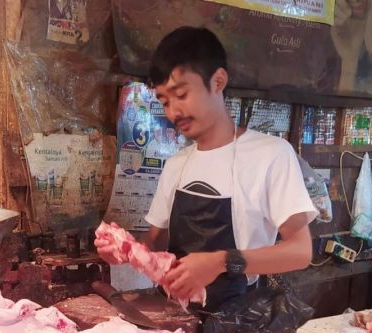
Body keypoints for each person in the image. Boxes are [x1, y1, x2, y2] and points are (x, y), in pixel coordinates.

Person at [96, 26, 317, 312]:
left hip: (239, 323)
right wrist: (124, 250)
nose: (173, 111)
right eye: (165, 101)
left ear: (218, 81)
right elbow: (153, 246)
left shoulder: (270, 154)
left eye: (182, 94)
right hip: (176, 318)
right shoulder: (177, 165)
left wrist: (219, 262)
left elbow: (300, 252)